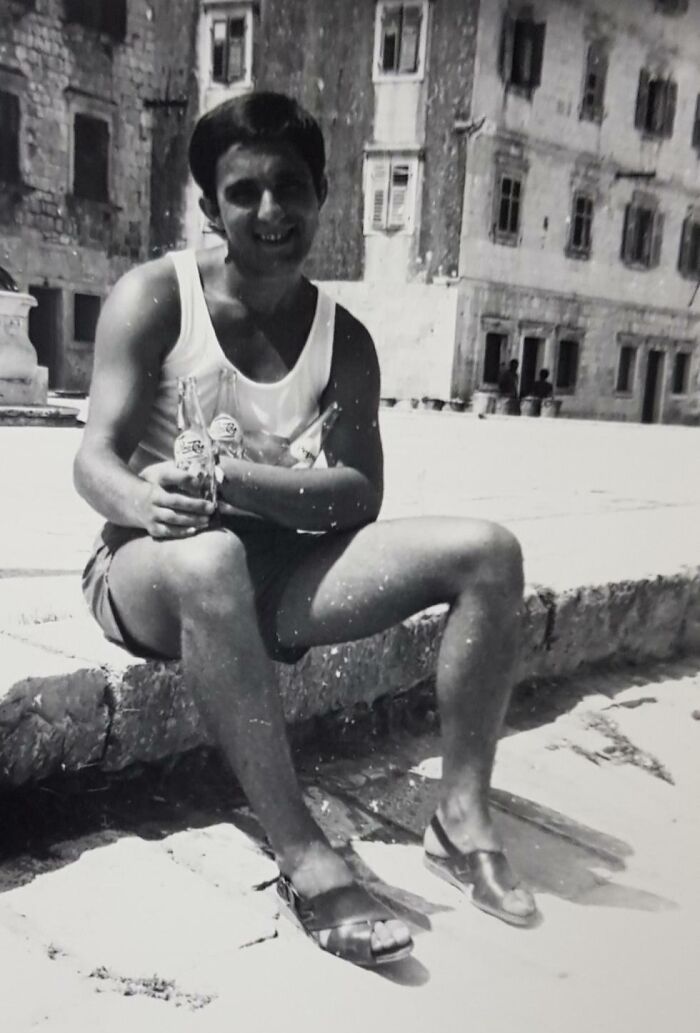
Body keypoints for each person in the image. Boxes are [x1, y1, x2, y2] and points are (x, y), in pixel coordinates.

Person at [74, 91, 537, 969]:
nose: (271, 211)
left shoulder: (343, 338)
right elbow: (94, 459)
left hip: (281, 577)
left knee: (490, 551)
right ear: (212, 208)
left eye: (291, 187)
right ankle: (304, 852)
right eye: (244, 192)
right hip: (151, 566)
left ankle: (462, 812)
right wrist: (146, 501)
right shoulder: (156, 298)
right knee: (208, 556)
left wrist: (227, 479)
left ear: (326, 195)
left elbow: (358, 493)